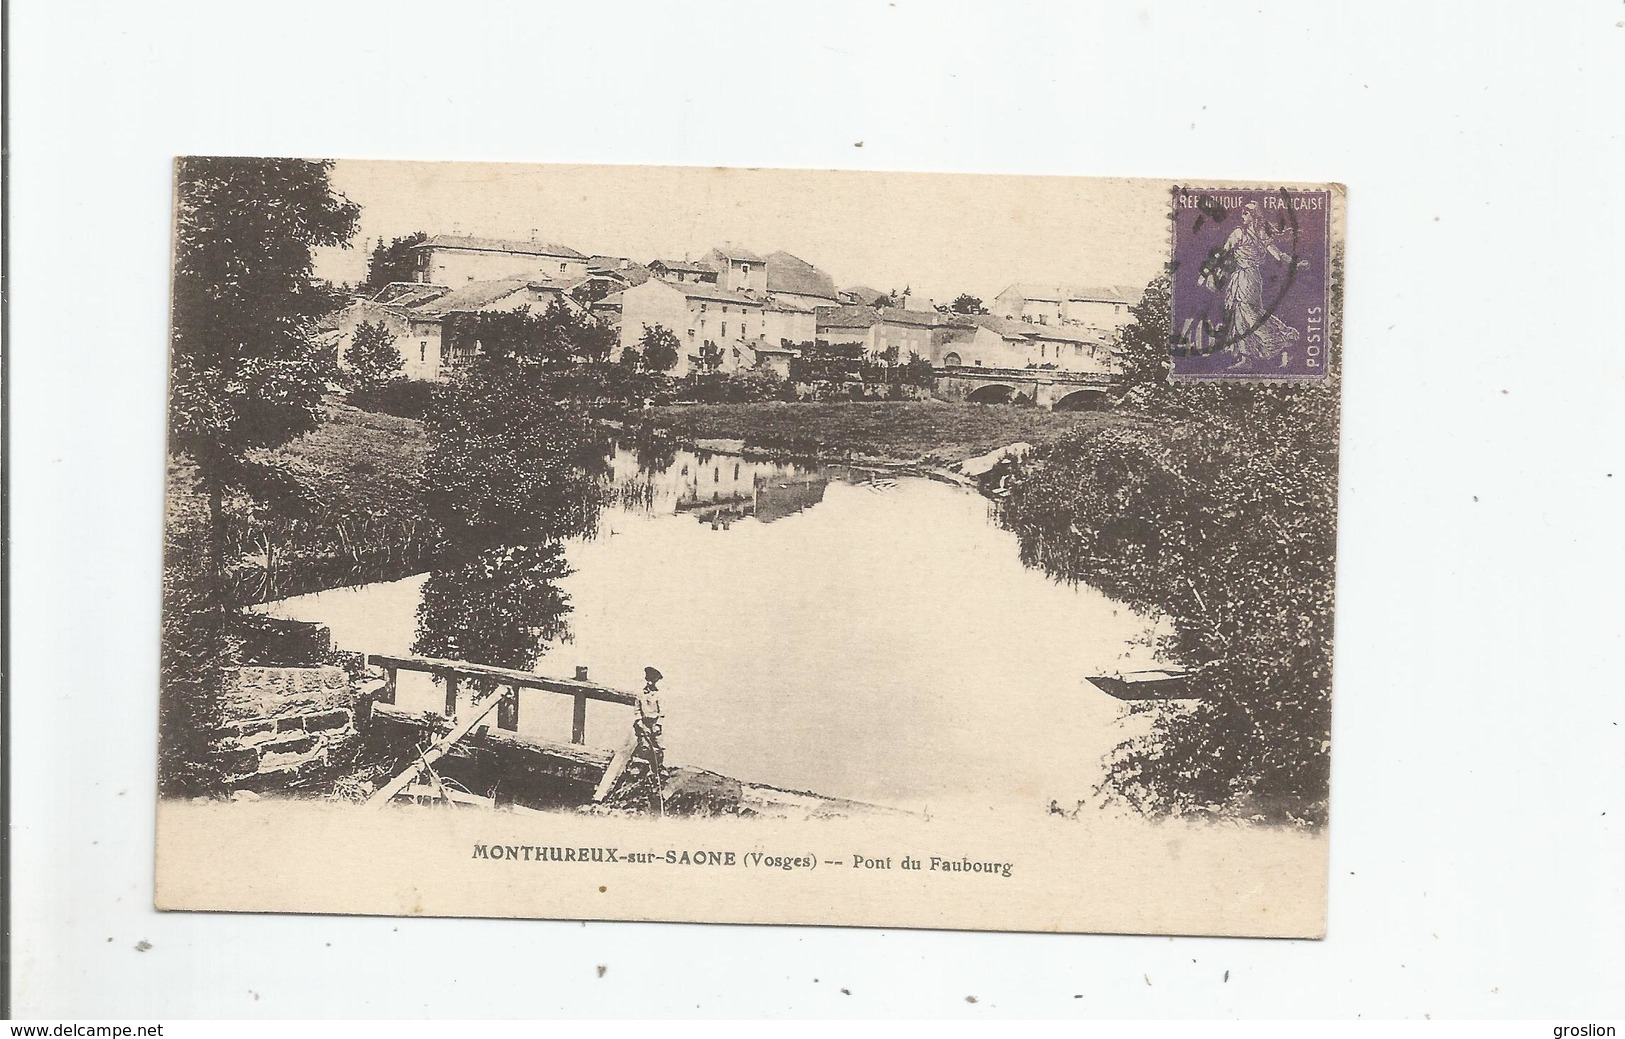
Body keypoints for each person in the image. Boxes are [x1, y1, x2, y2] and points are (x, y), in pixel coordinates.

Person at [1204, 202, 1308, 370]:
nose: (1242, 216)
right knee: (1241, 314)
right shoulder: (1244, 233)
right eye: (1242, 213)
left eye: (1245, 213)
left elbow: (1279, 255)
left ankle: (1282, 343)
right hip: (1245, 277)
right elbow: (1224, 254)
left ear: (1253, 215)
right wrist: (1212, 273)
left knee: (1248, 314)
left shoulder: (1252, 234)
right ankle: (1246, 358)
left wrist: (1297, 264)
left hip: (1248, 277)